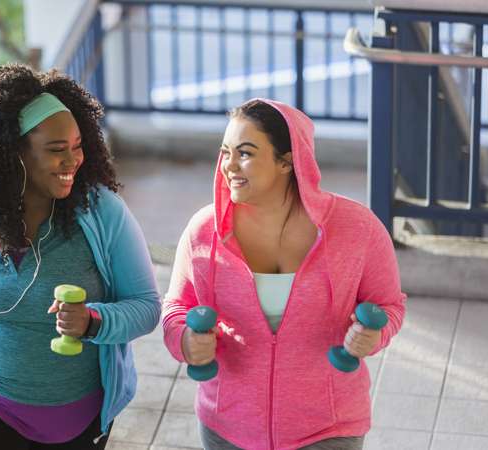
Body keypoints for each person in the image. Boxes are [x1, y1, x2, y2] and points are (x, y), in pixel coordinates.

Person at [0, 63, 160, 449]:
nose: (73, 160)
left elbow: (146, 307)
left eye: (77, 146)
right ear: (13, 152)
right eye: (57, 150)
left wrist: (93, 321)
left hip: (75, 414)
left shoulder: (104, 213)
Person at [162, 99, 406, 450]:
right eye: (225, 152)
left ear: (288, 161)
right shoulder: (204, 231)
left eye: (245, 153)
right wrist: (184, 340)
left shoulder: (358, 229)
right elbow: (176, 309)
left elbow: (390, 305)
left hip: (328, 428)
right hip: (227, 427)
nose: (229, 165)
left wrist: (374, 335)